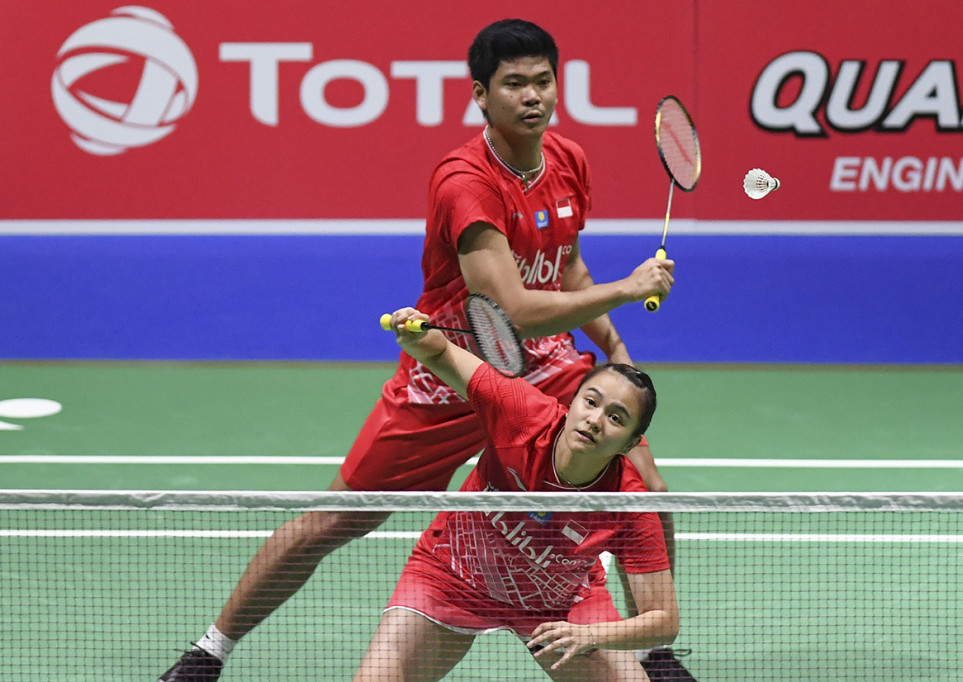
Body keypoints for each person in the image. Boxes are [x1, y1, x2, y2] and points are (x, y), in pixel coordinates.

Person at [159, 18, 693, 681]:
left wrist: (613, 345)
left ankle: (652, 651)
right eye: (514, 84)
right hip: (451, 371)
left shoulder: (568, 160)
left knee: (648, 489)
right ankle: (210, 650)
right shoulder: (465, 181)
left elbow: (568, 268)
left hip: (544, 366)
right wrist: (631, 287)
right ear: (480, 94)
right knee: (339, 518)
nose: (533, 96)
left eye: (543, 81)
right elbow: (516, 311)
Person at [354, 307, 681, 681]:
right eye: (591, 402)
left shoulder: (628, 504)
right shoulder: (520, 413)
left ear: (631, 444)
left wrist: (590, 634)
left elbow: (664, 621)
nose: (595, 420)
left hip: (559, 605)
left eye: (616, 418)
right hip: (454, 574)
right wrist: (417, 338)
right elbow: (440, 351)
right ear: (572, 401)